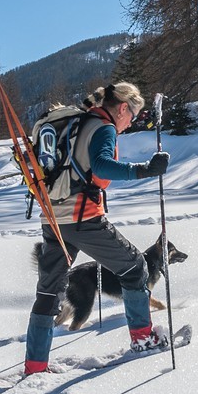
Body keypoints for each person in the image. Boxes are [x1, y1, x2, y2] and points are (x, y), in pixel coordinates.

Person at [24, 81, 170, 375]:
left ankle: (35, 365)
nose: (129, 124)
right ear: (123, 108)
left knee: (48, 293)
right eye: (131, 117)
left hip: (53, 218)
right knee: (136, 268)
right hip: (84, 218)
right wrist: (143, 170)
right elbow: (102, 167)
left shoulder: (78, 123)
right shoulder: (103, 127)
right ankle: (143, 339)